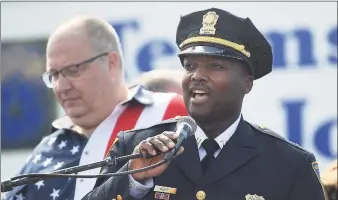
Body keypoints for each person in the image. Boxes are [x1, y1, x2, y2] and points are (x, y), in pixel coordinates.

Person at [81, 8, 327, 200]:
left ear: (247, 83)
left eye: (216, 66)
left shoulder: (289, 164)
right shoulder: (135, 147)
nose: (197, 75)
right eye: (190, 66)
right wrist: (133, 181)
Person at [3, 16, 188, 200]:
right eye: (54, 75)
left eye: (73, 70)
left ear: (111, 63)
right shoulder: (45, 150)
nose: (61, 86)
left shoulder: (172, 112)